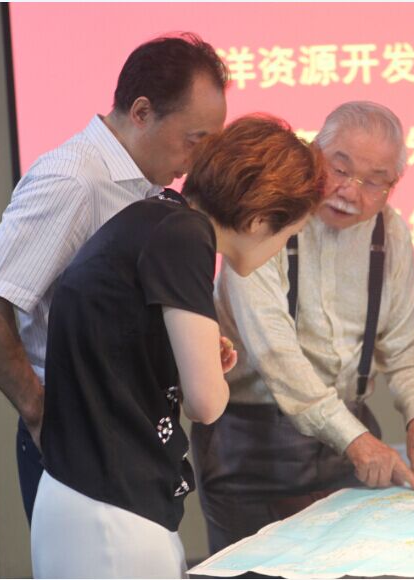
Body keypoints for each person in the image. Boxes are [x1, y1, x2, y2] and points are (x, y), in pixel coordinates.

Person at [29, 115, 325, 578]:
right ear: (259, 220)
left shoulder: (153, 218)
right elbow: (205, 405)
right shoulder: (185, 237)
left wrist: (196, 360)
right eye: (288, 235)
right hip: (112, 508)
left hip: (85, 496)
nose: (281, 248)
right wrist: (211, 375)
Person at [0, 33, 228, 521]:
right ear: (141, 112)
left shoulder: (144, 182)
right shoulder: (74, 179)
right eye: (194, 140)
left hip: (131, 428)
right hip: (77, 430)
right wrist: (38, 411)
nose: (199, 159)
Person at [192, 101, 414, 554]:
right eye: (340, 169)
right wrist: (356, 440)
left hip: (348, 434)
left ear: (394, 184)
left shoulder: (391, 232)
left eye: (375, 181)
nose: (350, 191)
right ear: (314, 154)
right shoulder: (266, 215)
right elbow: (275, 353)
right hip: (252, 443)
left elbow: (406, 343)